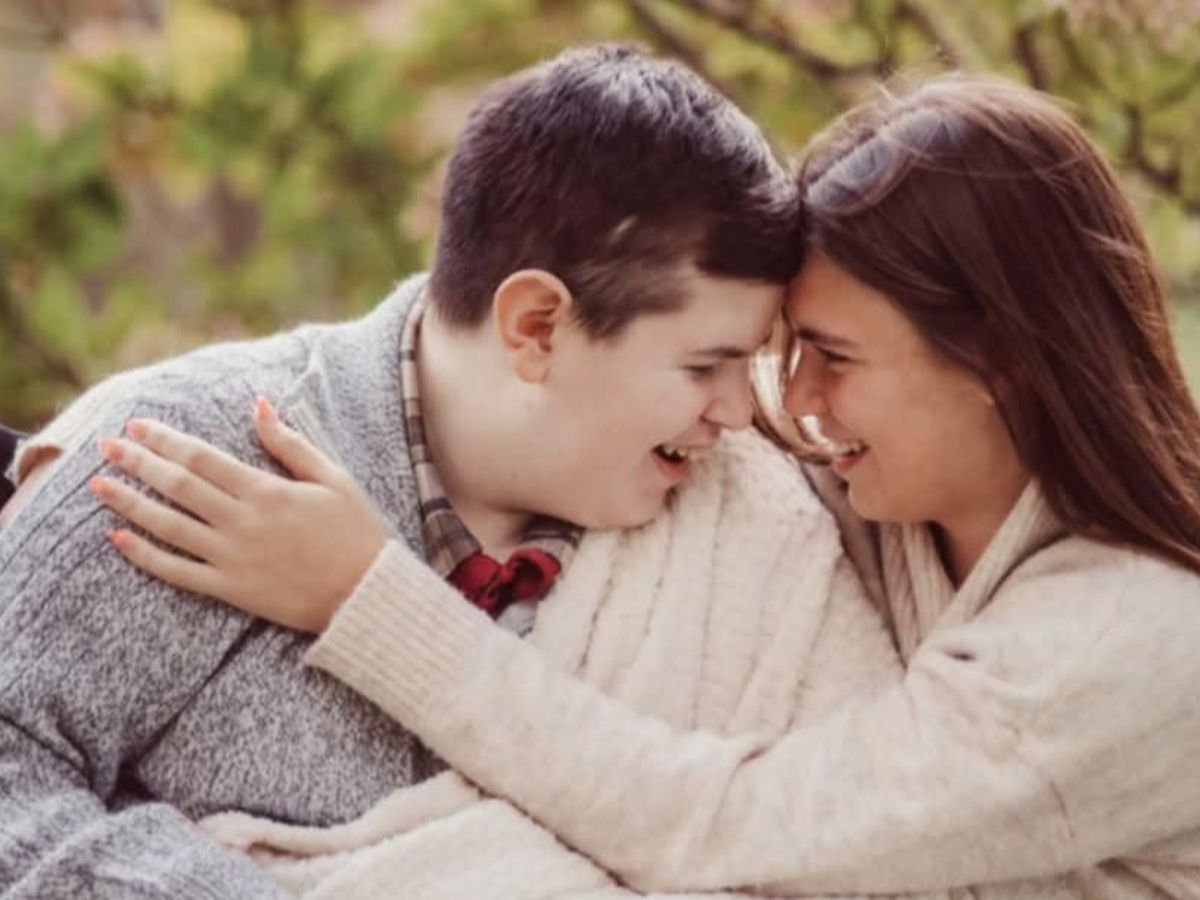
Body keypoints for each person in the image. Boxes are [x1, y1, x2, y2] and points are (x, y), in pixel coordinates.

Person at [93, 75, 1200, 898]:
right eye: (783, 353)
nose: (788, 402)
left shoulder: (1136, 641)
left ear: (1001, 361)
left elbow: (719, 825)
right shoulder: (892, 504)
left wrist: (367, 599)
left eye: (835, 358)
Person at [0, 44, 825, 898]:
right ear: (537, 326)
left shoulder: (734, 524)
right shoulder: (189, 462)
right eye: (704, 366)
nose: (738, 411)